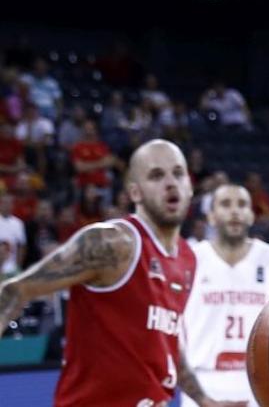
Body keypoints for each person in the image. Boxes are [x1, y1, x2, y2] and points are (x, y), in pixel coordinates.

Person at [0, 139, 240, 406]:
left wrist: (204, 400)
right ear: (135, 192)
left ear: (190, 186)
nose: (171, 183)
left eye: (178, 173)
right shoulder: (113, 243)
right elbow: (13, 291)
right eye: (156, 176)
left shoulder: (186, 258)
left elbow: (166, 339)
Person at [181, 183, 269, 407]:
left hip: (258, 380)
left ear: (251, 215)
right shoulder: (189, 259)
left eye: (242, 204)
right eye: (225, 204)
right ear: (211, 216)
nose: (235, 211)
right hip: (202, 380)